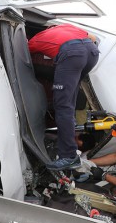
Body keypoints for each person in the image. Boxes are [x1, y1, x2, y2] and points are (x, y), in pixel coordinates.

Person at [28, 23, 100, 171]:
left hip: (73, 54)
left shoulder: (36, 39)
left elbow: (21, 54)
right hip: (92, 53)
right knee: (69, 103)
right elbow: (93, 38)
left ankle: (69, 156)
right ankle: (69, 135)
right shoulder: (68, 27)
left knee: (62, 106)